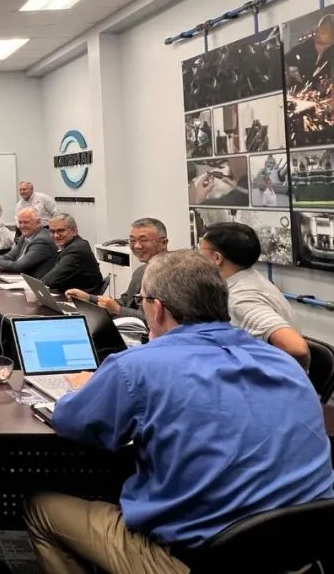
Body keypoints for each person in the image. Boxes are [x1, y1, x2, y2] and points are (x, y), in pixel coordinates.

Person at [25, 251, 334, 574]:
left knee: (41, 508)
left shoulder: (137, 367)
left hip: (199, 561)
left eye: (142, 301)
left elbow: (72, 422)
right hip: (302, 554)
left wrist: (84, 389)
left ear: (157, 308)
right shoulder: (284, 362)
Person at [200, 222, 310, 369]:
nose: (198, 256)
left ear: (217, 258)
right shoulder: (250, 278)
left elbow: (297, 348)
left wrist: (292, 377)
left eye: (201, 250)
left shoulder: (242, 299)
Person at [66, 217, 168, 320]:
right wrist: (88, 298)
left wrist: (118, 310)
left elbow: (159, 319)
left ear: (164, 243)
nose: (137, 246)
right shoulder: (141, 271)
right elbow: (125, 301)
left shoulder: (171, 274)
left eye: (143, 240)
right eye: (132, 240)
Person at [0, 207, 56, 277]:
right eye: (20, 222)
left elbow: (19, 266)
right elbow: (9, 256)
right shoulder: (24, 236)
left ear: (38, 223)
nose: (22, 226)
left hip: (36, 283)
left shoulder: (42, 241)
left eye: (26, 222)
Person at [39, 214, 102, 294]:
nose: (56, 235)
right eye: (52, 231)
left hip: (80, 299)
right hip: (69, 292)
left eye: (60, 231)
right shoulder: (75, 244)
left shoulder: (76, 250)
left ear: (74, 231)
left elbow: (49, 281)